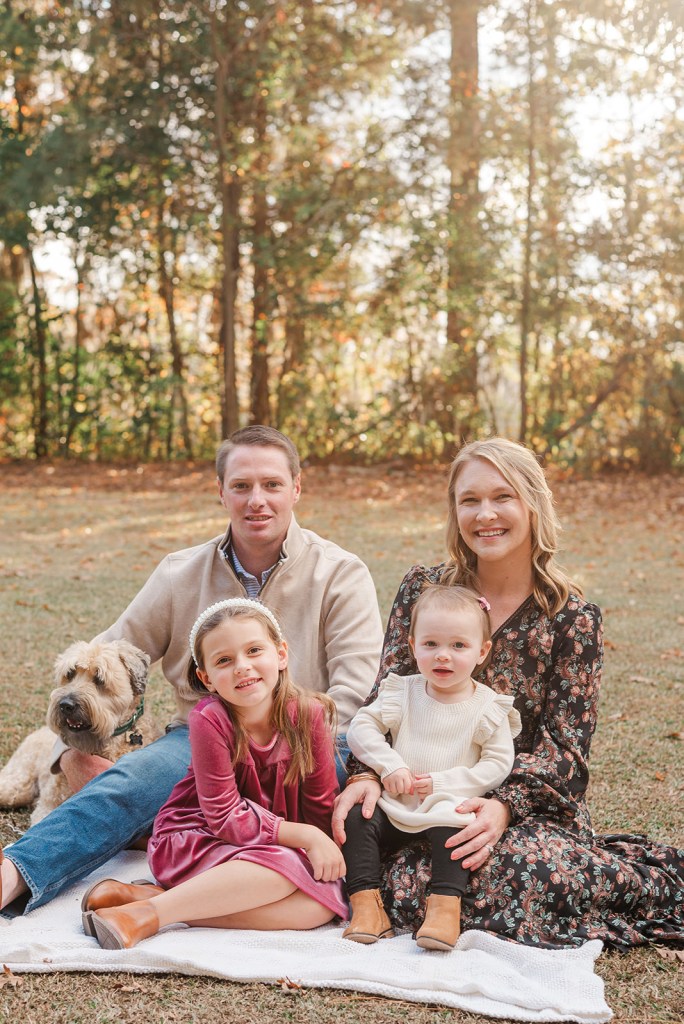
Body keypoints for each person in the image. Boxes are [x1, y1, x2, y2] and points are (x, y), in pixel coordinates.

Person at [0, 425, 383, 917]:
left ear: (296, 488)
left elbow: (356, 692)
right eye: (241, 486)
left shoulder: (340, 573)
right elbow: (105, 655)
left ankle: (184, 875)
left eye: (271, 484)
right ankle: (14, 875)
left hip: (306, 741)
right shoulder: (179, 572)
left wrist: (277, 751)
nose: (256, 500)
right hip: (203, 738)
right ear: (220, 491)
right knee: (128, 785)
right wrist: (68, 751)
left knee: (346, 808)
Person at [332, 437, 684, 949]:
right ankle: (405, 896)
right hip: (416, 792)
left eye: (503, 497)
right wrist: (368, 774)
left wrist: (501, 807)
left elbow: (566, 753)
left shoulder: (571, 619)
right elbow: (385, 697)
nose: (485, 514)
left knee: (528, 873)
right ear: (454, 511)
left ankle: (621, 881)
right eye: (469, 500)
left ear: (533, 504)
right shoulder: (423, 589)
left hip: (523, 807)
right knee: (353, 842)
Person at [82, 599, 347, 949]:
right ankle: (146, 917)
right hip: (196, 838)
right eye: (224, 660)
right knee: (283, 866)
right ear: (206, 677)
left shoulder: (310, 715)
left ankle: (152, 900)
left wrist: (321, 845)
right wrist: (307, 838)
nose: (242, 667)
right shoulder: (211, 719)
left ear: (281, 654)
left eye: (254, 651)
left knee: (319, 906)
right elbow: (224, 817)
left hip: (270, 847)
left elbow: (319, 804)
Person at [341, 585, 520, 950]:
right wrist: (387, 765)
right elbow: (361, 727)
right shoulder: (402, 692)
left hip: (444, 803)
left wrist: (444, 783)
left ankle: (443, 910)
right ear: (412, 645)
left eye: (458, 646)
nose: (443, 657)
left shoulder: (488, 707)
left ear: (482, 651)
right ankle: (366, 906)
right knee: (358, 817)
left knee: (457, 828)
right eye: (431, 644)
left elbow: (498, 762)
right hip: (396, 801)